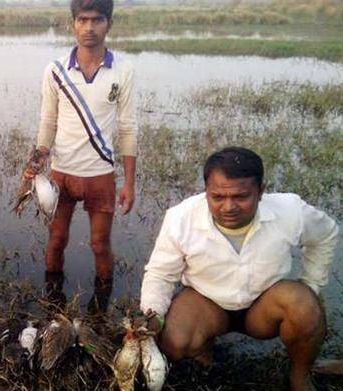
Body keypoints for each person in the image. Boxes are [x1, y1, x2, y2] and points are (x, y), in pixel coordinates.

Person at [139, 146, 339, 391]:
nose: (228, 207)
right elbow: (160, 273)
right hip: (207, 302)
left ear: (261, 191)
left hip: (263, 304)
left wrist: (310, 285)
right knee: (176, 341)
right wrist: (153, 314)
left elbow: (326, 234)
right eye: (217, 197)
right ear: (206, 192)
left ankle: (299, 375)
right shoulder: (180, 218)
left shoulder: (291, 212)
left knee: (305, 306)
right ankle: (203, 348)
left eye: (241, 197)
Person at [24, 0, 137, 308]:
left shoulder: (123, 71)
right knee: (56, 240)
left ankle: (100, 311)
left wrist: (129, 182)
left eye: (97, 20)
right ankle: (52, 306)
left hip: (100, 176)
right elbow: (48, 122)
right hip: (61, 175)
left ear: (109, 23)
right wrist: (36, 163)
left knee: (100, 245)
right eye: (83, 19)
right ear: (72, 23)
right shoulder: (56, 70)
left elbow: (127, 129)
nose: (89, 27)